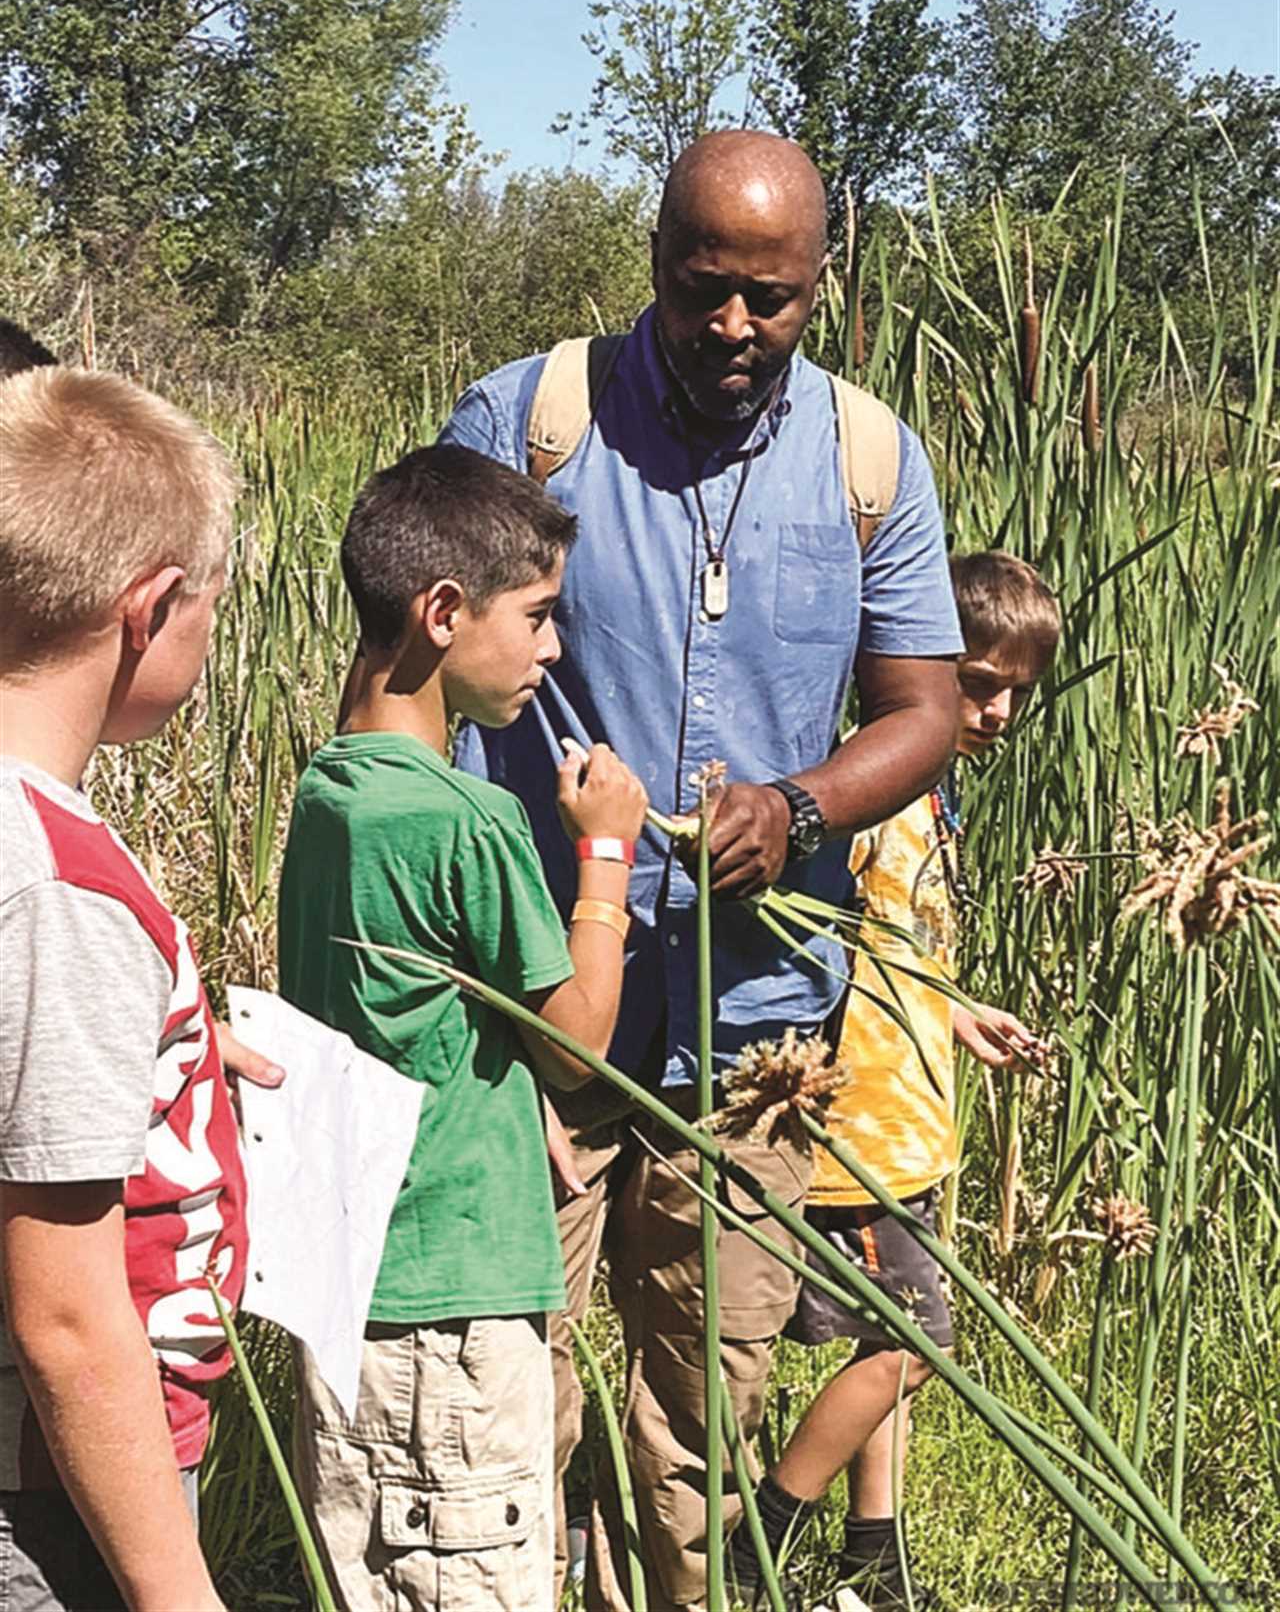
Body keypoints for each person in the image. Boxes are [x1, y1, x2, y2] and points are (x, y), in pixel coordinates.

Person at [438, 128, 965, 1612]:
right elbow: (414, 662)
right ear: (656, 258)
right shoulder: (534, 420)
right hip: (536, 1008)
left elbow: (922, 708)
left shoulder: (869, 460)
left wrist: (797, 809)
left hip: (757, 1031)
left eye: (774, 300)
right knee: (495, 1381)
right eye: (704, 286)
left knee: (704, 1412)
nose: (735, 328)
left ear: (820, 287)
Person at [277, 444, 648, 1611]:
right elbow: (579, 1043)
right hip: (454, 1299)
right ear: (441, 613)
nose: (551, 649)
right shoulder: (463, 816)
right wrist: (604, 851)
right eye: (536, 617)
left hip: (356, 1284)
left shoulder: (332, 788)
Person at [727, 551, 1062, 1610]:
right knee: (916, 1347)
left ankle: (874, 1559)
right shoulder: (872, 799)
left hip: (911, 1124)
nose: (997, 709)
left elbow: (895, 954)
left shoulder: (933, 803)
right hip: (858, 1129)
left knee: (889, 1336)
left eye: (1016, 689)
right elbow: (820, 947)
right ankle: (763, 1527)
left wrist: (957, 1015)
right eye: (974, 680)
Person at [0, 367, 248, 1611]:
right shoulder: (62, 888)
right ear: (146, 606)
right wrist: (176, 1591)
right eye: (209, 608)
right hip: (56, 1493)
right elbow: (68, 1316)